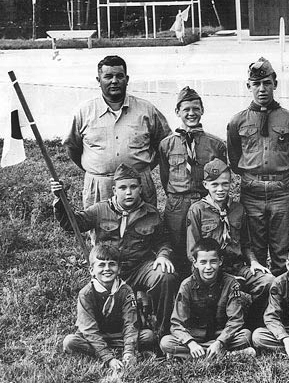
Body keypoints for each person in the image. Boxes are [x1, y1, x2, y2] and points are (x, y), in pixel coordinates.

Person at [52, 163, 178, 337]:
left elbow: (163, 240)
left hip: (139, 268)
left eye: (133, 187)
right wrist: (60, 200)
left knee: (165, 276)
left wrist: (163, 256)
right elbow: (71, 224)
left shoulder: (151, 213)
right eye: (123, 187)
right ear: (114, 189)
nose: (128, 192)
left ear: (140, 189)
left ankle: (162, 332)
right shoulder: (99, 210)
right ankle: (103, 332)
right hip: (109, 270)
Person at [227, 57, 289, 275]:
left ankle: (282, 302)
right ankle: (259, 302)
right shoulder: (237, 121)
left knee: (283, 252)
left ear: (275, 84)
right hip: (252, 193)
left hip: (282, 192)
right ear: (248, 86)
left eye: (267, 83)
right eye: (256, 84)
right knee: (255, 252)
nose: (262, 89)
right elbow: (234, 158)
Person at [64, 55, 171, 208]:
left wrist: (143, 169)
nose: (114, 81)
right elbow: (72, 148)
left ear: (126, 79)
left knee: (143, 228)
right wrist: (97, 171)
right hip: (100, 188)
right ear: (98, 80)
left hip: (138, 185)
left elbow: (164, 145)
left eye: (119, 76)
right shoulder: (84, 111)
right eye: (108, 76)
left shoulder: (146, 109)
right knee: (101, 229)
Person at [185, 158, 273, 328]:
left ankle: (254, 324)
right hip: (212, 270)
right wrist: (221, 275)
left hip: (237, 266)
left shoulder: (237, 208)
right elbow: (192, 252)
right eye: (215, 184)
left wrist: (254, 262)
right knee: (230, 289)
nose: (220, 189)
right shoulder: (197, 210)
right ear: (205, 185)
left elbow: (246, 244)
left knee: (268, 281)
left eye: (225, 184)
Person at [158, 86, 227, 276]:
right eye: (186, 109)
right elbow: (165, 177)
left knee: (205, 247)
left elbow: (221, 177)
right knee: (178, 249)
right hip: (177, 204)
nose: (191, 113)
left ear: (202, 111)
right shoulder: (166, 144)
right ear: (177, 112)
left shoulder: (216, 144)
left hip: (203, 203)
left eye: (196, 108)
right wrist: (176, 198)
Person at [62, 243, 155, 371]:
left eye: (112, 264)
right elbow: (89, 329)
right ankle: (103, 353)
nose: (107, 269)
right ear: (91, 270)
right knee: (70, 341)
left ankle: (124, 351)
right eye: (101, 265)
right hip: (96, 337)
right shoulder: (86, 294)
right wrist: (108, 358)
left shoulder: (126, 291)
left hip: (119, 336)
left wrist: (128, 352)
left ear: (119, 268)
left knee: (148, 336)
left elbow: (131, 324)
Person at [160, 238, 256, 359]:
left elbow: (235, 320)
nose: (208, 267)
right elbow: (176, 323)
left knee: (245, 335)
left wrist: (219, 342)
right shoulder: (187, 285)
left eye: (213, 261)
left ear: (220, 261)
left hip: (220, 334)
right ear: (195, 263)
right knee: (166, 342)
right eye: (203, 262)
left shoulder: (231, 283)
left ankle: (192, 356)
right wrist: (191, 343)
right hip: (196, 336)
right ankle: (227, 355)